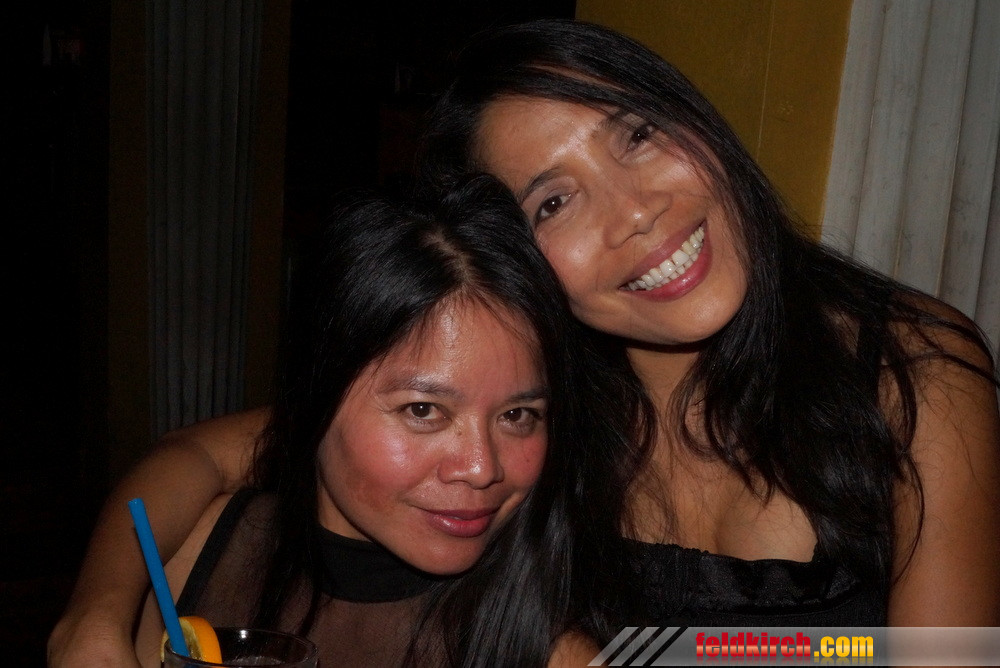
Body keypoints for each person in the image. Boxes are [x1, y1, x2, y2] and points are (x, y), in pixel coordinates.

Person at [51, 18, 1000, 663]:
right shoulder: (528, 399)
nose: (635, 213)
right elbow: (200, 456)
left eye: (637, 134)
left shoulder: (908, 371)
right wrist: (91, 619)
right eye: (553, 202)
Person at [72, 176, 641, 667]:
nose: (481, 468)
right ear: (317, 392)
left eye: (518, 415)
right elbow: (191, 453)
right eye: (423, 410)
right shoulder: (195, 554)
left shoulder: (554, 652)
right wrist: (92, 618)